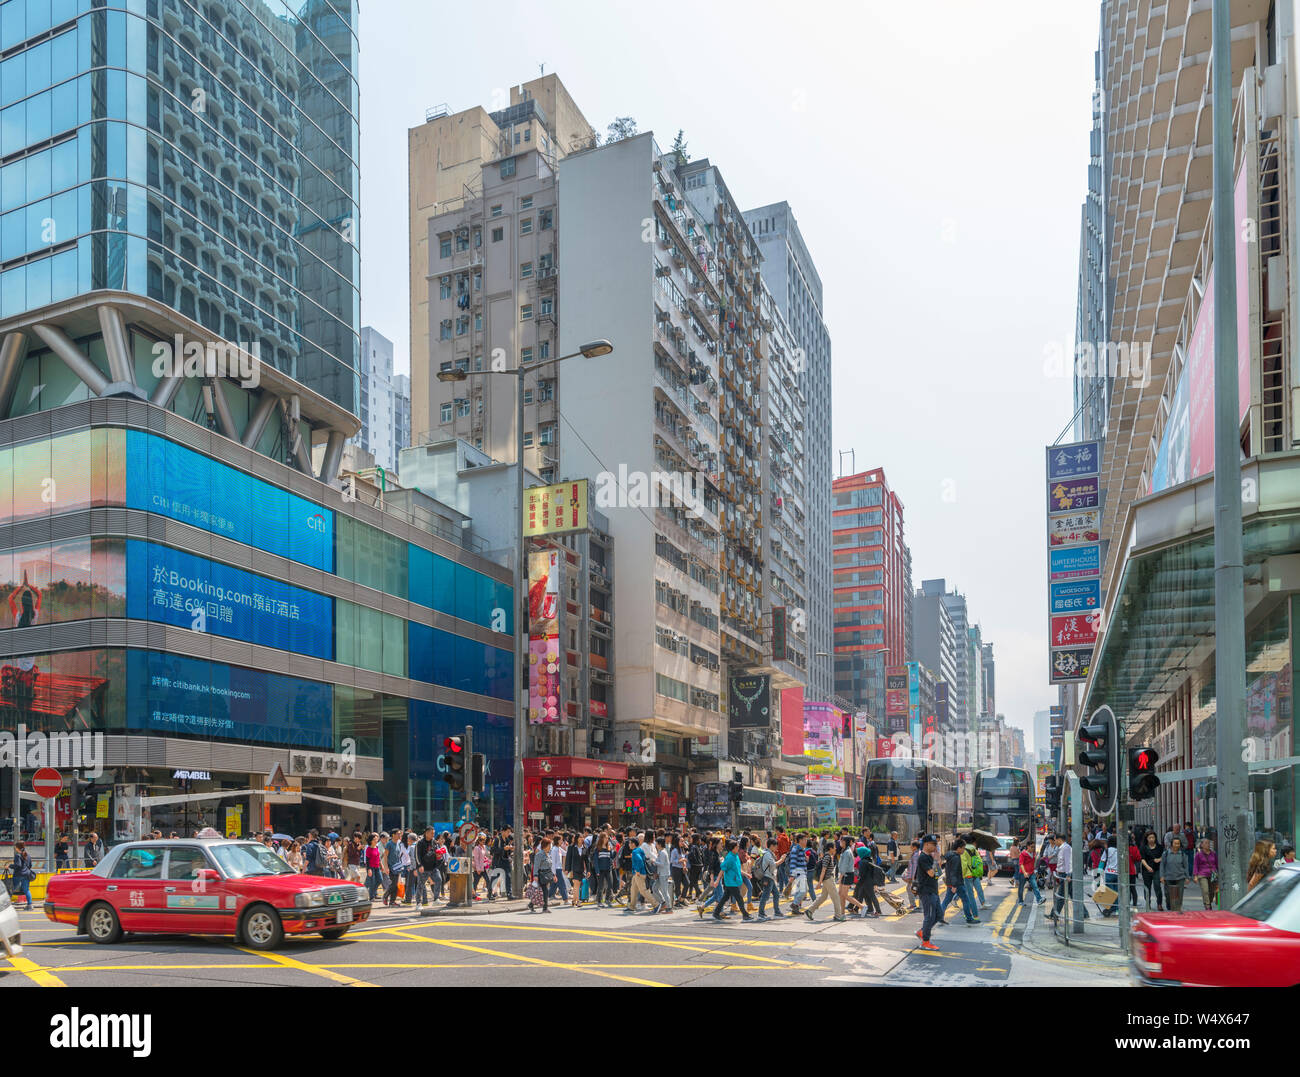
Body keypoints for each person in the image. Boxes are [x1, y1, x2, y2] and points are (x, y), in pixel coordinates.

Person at [806, 836, 846, 922]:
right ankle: (838, 916)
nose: (835, 848)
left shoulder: (827, 856)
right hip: (828, 879)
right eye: (834, 847)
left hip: (826, 879)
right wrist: (819, 882)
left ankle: (810, 910)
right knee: (836, 897)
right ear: (830, 848)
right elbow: (823, 870)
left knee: (823, 897)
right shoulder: (827, 857)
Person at [913, 834, 942, 952]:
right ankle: (925, 941)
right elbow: (931, 873)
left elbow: (938, 873)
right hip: (926, 891)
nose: (936, 846)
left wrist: (937, 862)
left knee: (939, 915)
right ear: (926, 844)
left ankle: (922, 931)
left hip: (933, 890)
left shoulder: (929, 857)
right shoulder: (923, 858)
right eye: (934, 844)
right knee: (929, 916)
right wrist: (936, 861)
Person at [940, 839, 978, 924]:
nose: (964, 850)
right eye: (963, 848)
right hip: (957, 883)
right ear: (958, 848)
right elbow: (954, 872)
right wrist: (954, 885)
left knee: (947, 900)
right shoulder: (956, 858)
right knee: (966, 900)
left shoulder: (950, 855)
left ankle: (940, 916)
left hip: (950, 882)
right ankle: (969, 918)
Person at [714, 839, 752, 921]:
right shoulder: (729, 858)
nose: (738, 848)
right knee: (739, 899)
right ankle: (745, 915)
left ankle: (716, 913)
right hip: (731, 882)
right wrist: (717, 880)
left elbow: (738, 869)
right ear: (733, 848)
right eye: (737, 847)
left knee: (724, 898)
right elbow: (722, 869)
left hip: (734, 881)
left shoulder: (736, 856)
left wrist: (746, 874)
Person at [753, 838, 783, 920]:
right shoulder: (767, 854)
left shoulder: (768, 853)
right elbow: (773, 865)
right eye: (776, 846)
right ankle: (761, 914)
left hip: (770, 877)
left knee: (776, 894)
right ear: (772, 846)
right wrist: (781, 860)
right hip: (767, 877)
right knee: (765, 896)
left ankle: (777, 912)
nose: (776, 847)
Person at [1049, 833, 1072, 922]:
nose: (1054, 842)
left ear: (1059, 840)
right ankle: (1084, 913)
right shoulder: (1062, 848)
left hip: (1065, 875)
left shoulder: (1066, 848)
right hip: (1062, 875)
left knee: (1061, 896)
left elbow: (1068, 862)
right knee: (1072, 895)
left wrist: (1068, 875)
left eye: (1055, 840)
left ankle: (1054, 914)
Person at [1161, 836, 1188, 911]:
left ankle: (1177, 908)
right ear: (1171, 844)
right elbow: (1162, 865)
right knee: (1168, 894)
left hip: (1180, 877)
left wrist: (1187, 877)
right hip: (1168, 877)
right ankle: (1169, 906)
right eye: (1175, 843)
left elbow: (1186, 866)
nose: (1177, 845)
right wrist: (1162, 876)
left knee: (1179, 895)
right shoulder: (1166, 853)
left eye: (1178, 843)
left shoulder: (1182, 854)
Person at [1139, 831, 1164, 910]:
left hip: (1157, 869)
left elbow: (1164, 856)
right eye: (1150, 838)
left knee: (1157, 886)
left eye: (1153, 837)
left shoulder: (1160, 847)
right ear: (1146, 838)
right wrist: (1147, 867)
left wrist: (1159, 859)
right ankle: (1148, 903)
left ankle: (1159, 904)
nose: (1151, 839)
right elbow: (1142, 859)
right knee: (1147, 887)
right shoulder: (1143, 847)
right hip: (1146, 870)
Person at [1193, 838, 1218, 910]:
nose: (1208, 845)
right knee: (1205, 891)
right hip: (1202, 874)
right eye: (1206, 843)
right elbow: (1195, 865)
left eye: (1209, 843)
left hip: (1213, 875)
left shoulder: (1213, 853)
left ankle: (1209, 902)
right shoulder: (1198, 854)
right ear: (1202, 845)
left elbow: (1217, 864)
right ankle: (1207, 906)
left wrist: (1218, 874)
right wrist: (1195, 875)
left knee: (1212, 892)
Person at [532, 836, 554, 912]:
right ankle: (545, 908)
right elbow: (536, 865)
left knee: (540, 892)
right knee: (545, 891)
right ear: (545, 845)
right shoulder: (539, 854)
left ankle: (531, 904)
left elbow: (550, 865)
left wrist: (553, 875)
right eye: (549, 845)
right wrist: (535, 875)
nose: (550, 847)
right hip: (541, 874)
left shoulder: (548, 854)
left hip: (547, 874)